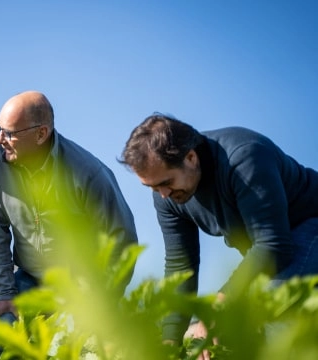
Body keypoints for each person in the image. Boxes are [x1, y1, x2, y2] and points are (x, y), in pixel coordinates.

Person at [119, 113, 318, 359]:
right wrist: (170, 340)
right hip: (274, 247)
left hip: (306, 225)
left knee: (274, 312)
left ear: (191, 157)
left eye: (166, 182)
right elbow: (181, 267)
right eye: (152, 187)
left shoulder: (244, 158)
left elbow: (273, 245)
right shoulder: (167, 195)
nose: (162, 194)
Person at [0, 90, 139, 322]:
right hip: (28, 281)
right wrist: (4, 292)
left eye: (9, 133)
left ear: (41, 133)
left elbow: (122, 241)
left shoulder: (89, 173)